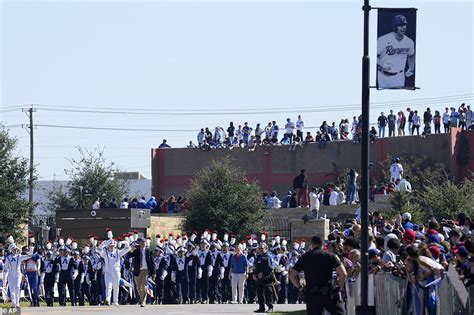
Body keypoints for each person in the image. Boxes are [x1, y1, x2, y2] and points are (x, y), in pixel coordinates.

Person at [289, 235, 347, 315]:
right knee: (339, 313)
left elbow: (292, 274)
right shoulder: (330, 256)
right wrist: (339, 287)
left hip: (312, 293)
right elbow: (343, 273)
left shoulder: (305, 257)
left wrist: (300, 287)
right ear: (323, 244)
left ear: (312, 244)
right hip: (328, 292)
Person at [377, 14, 415, 89]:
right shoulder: (383, 40)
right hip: (383, 77)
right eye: (400, 25)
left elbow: (411, 55)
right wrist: (382, 64)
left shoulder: (409, 41)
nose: (404, 27)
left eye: (405, 25)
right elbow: (374, 56)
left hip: (399, 77)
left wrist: (411, 68)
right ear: (395, 26)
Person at [128, 238, 155, 307]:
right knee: (138, 286)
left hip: (146, 270)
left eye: (144, 242)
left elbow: (152, 262)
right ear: (139, 243)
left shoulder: (149, 251)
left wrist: (153, 272)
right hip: (137, 270)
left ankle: (143, 301)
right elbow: (129, 256)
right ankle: (141, 298)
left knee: (144, 285)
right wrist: (132, 249)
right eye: (141, 242)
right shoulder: (137, 251)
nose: (143, 243)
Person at [253, 243, 274, 313]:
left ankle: (270, 307)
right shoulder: (257, 256)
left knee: (268, 293)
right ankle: (261, 308)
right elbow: (255, 266)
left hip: (267, 277)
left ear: (266, 248)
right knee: (259, 293)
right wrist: (254, 274)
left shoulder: (269, 256)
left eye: (262, 248)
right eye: (259, 248)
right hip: (259, 278)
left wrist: (262, 272)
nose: (260, 250)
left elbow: (270, 268)